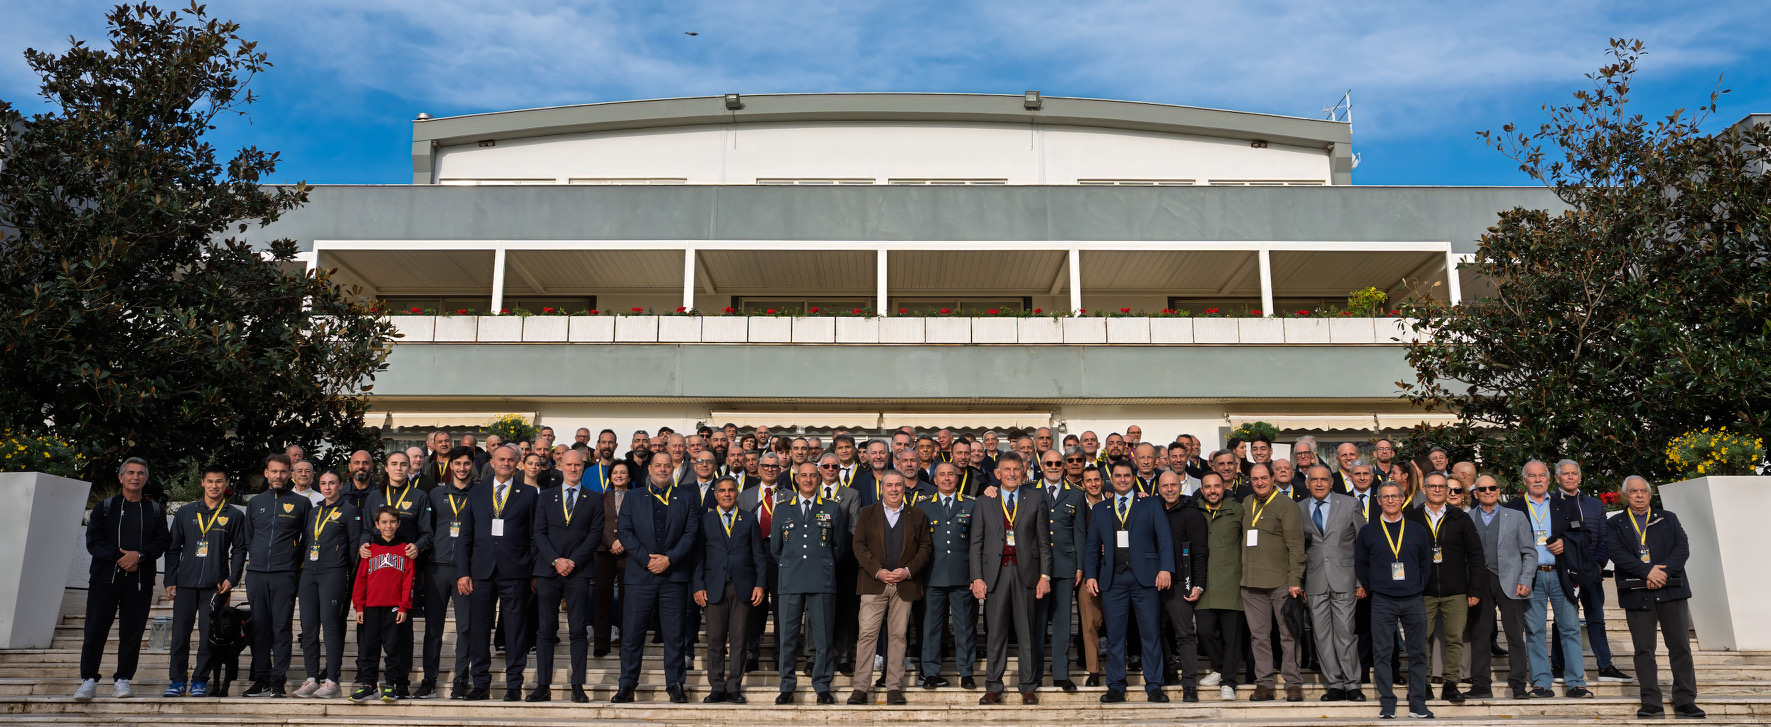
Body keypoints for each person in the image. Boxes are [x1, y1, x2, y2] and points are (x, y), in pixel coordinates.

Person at [1606, 476, 1704, 720]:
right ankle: (1651, 701)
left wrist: (1662, 572)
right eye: (1633, 492)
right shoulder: (1616, 523)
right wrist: (1646, 571)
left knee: (1680, 647)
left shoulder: (1667, 518)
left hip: (1671, 591)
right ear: (1625, 496)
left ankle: (1685, 700)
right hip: (1637, 594)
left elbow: (1682, 547)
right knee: (1644, 650)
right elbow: (1616, 553)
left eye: (1643, 491)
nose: (1639, 495)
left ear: (1650, 495)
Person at [74, 458, 170, 701]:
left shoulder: (155, 510)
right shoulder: (105, 508)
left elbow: (162, 542)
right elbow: (94, 542)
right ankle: (88, 680)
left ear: (146, 478)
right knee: (95, 630)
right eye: (130, 473)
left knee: (132, 632)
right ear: (121, 477)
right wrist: (120, 556)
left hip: (139, 581)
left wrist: (139, 554)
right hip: (104, 580)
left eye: (140, 473)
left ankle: (123, 679)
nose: (135, 477)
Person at [612, 453, 701, 704]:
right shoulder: (632, 496)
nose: (662, 469)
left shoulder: (686, 497)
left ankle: (675, 684)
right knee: (632, 635)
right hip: (641, 576)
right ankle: (627, 685)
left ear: (673, 469)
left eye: (667, 465)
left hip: (673, 576)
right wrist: (647, 559)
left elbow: (691, 532)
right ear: (649, 469)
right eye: (658, 465)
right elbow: (626, 532)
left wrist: (669, 559)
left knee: (674, 635)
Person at [457, 445, 539, 701]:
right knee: (480, 629)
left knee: (515, 629)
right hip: (481, 571)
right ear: (491, 462)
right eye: (501, 459)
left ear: (518, 464)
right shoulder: (477, 493)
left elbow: (535, 536)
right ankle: (480, 683)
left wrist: (534, 572)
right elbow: (465, 535)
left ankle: (514, 684)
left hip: (515, 571)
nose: (505, 463)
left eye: (510, 460)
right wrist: (463, 572)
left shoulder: (528, 494)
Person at [1087, 461, 1174, 704]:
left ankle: (1154, 685)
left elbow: (1164, 540)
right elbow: (1092, 546)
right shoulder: (1101, 509)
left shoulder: (1151, 504)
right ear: (1111, 479)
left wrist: (1165, 568)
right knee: (1115, 636)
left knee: (1151, 633)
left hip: (1146, 578)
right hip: (1113, 579)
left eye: (1127, 475)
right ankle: (1116, 685)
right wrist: (1091, 574)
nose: (1122, 479)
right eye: (1118, 476)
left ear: (1134, 477)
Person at [1505, 460, 1593, 699]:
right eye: (1532, 476)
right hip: (1530, 577)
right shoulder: (1513, 508)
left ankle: (1576, 682)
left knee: (1571, 629)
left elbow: (1583, 536)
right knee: (1534, 631)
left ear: (1549, 479)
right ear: (1524, 480)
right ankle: (1542, 681)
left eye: (1541, 475)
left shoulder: (1564, 506)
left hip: (1560, 575)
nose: (1537, 480)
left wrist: (1567, 543)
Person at [970, 452, 1051, 706]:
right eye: (1007, 469)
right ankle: (993, 686)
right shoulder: (985, 501)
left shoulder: (1036, 499)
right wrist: (977, 577)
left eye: (1017, 469)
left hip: (1026, 573)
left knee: (1027, 632)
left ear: (1024, 471)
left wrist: (1044, 575)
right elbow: (976, 544)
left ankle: (1027, 686)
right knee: (995, 633)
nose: (1013, 473)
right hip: (996, 572)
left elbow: (1044, 543)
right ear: (997, 473)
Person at [847, 470, 932, 705]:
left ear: (904, 488)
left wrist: (907, 571)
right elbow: (859, 546)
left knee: (898, 636)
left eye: (898, 485)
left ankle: (894, 687)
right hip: (874, 583)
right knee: (866, 636)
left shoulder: (918, 515)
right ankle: (860, 688)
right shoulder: (866, 513)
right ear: (881, 488)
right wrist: (878, 571)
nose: (894, 489)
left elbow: (925, 548)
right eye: (889, 485)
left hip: (904, 584)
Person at [163, 465, 248, 698]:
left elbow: (240, 549)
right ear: (202, 482)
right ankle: (177, 681)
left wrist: (233, 577)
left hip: (215, 586)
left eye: (219, 481)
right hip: (185, 584)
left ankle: (200, 679)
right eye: (210, 481)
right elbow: (172, 549)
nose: (214, 486)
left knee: (209, 636)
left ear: (227, 483)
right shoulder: (186, 512)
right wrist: (170, 579)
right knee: (180, 634)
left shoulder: (234, 515)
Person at [530, 450, 606, 703]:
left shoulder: (595, 498)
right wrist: (555, 560)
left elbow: (595, 535)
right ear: (559, 465)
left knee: (578, 631)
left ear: (583, 467)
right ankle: (543, 685)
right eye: (568, 464)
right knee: (545, 630)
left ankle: (577, 685)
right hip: (548, 570)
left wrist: (572, 561)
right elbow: (538, 532)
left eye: (578, 465)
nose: (573, 469)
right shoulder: (546, 496)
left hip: (578, 571)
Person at [357, 450, 434, 698]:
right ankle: (368, 681)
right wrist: (363, 545)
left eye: (403, 464)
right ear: (386, 468)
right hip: (377, 571)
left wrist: (417, 547)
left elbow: (428, 534)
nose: (399, 468)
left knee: (402, 634)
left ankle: (400, 681)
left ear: (410, 467)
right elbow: (366, 531)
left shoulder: (420, 496)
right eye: (394, 464)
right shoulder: (373, 497)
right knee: (371, 638)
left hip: (406, 569)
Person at [1356, 482, 1435, 719]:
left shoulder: (1417, 529)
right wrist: (1373, 586)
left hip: (1413, 598)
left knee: (1418, 652)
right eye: (1385, 497)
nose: (1390, 500)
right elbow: (1361, 563)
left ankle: (1418, 702)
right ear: (1378, 501)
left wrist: (1418, 585)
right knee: (1382, 653)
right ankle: (1387, 702)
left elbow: (1425, 564)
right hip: (1382, 600)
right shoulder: (1368, 531)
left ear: (1402, 499)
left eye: (1394, 496)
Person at [773, 461, 848, 705]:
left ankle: (822, 685)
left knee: (824, 636)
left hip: (821, 579)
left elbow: (838, 547)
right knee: (787, 636)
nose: (807, 480)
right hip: (791, 579)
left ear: (819, 479)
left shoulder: (832, 509)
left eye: (812, 476)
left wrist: (820, 563)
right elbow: (776, 548)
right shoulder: (782, 509)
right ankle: (786, 685)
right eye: (803, 475)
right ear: (796, 479)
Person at [1549, 460, 1629, 683]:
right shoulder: (1551, 502)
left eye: (1574, 474)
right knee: (1562, 620)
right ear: (1557, 478)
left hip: (1591, 570)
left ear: (1580, 477)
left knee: (1596, 618)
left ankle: (1605, 665)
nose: (1571, 477)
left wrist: (1599, 564)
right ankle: (1558, 665)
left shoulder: (1594, 504)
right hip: (1564, 571)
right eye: (1566, 474)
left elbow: (1604, 538)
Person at [1407, 473, 1483, 704]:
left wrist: (1475, 589)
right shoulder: (1411, 516)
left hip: (1456, 590)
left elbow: (1476, 555)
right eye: (1434, 486)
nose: (1439, 490)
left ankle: (1451, 684)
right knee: (1420, 639)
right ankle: (1423, 683)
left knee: (1454, 638)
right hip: (1423, 591)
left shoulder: (1459, 517)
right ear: (1425, 488)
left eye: (1443, 487)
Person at [241, 453, 312, 698]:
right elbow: (248, 537)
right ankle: (261, 678)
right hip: (257, 574)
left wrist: (294, 560)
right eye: (274, 471)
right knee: (260, 628)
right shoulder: (255, 502)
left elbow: (308, 537)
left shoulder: (301, 503)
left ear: (290, 474)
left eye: (283, 472)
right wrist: (257, 557)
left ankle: (278, 679)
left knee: (281, 627)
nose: (279, 476)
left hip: (285, 574)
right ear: (266, 473)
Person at [694, 477, 766, 704]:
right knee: (714, 639)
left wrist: (760, 584)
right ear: (715, 494)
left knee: (739, 639)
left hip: (742, 587)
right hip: (713, 588)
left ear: (737, 493)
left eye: (731, 490)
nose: (727, 494)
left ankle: (734, 686)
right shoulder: (705, 520)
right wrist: (698, 585)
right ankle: (716, 686)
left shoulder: (749, 519)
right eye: (722, 491)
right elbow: (697, 557)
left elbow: (758, 556)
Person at [1239, 462, 1305, 702]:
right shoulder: (1247, 504)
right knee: (1259, 637)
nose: (1259, 483)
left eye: (1264, 478)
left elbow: (1297, 546)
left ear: (1273, 478)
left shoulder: (1287, 505)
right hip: (1251, 583)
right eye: (1255, 479)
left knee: (1288, 635)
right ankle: (1264, 684)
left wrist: (1295, 579)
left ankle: (1293, 684)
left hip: (1281, 582)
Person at [1466, 474, 1537, 700]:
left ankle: (1518, 684)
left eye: (1492, 487)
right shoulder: (1467, 517)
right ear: (1475, 493)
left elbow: (1529, 552)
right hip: (1478, 583)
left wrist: (1525, 579)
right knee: (1480, 634)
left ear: (1498, 490)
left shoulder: (1516, 516)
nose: (1488, 491)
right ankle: (1481, 684)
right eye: (1482, 489)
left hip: (1511, 582)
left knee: (1515, 634)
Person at [1299, 464, 1365, 702]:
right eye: (1314, 480)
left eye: (1323, 480)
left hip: (1345, 579)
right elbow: (1297, 550)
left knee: (1345, 633)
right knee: (1322, 635)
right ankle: (1334, 684)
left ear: (1331, 482)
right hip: (1314, 582)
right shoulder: (1299, 509)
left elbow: (1363, 544)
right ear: (1307, 483)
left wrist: (1361, 579)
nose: (1318, 484)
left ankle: (1353, 683)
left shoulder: (1349, 505)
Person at [292, 472, 361, 700]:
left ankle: (333, 680)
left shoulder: (350, 510)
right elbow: (307, 541)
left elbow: (353, 546)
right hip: (309, 573)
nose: (328, 487)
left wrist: (344, 570)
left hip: (334, 573)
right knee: (309, 629)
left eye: (332, 482)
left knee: (330, 628)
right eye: (323, 483)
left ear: (341, 484)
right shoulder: (314, 511)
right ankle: (312, 679)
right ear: (318, 485)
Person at [916, 462, 978, 690]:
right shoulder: (922, 505)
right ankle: (931, 672)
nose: (947, 478)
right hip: (932, 575)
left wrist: (976, 575)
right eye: (942, 475)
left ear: (957, 478)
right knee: (931, 627)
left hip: (963, 575)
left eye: (951, 474)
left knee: (964, 627)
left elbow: (975, 543)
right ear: (935, 479)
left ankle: (967, 671)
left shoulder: (970, 504)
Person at [423, 447, 475, 698]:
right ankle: (429, 678)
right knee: (433, 628)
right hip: (437, 568)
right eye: (458, 463)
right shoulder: (435, 494)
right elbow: (427, 531)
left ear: (472, 466)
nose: (462, 468)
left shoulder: (480, 493)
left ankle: (461, 679)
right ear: (450, 466)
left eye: (467, 463)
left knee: (465, 628)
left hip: (466, 571)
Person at [1036, 448, 1089, 692]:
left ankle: (1060, 674)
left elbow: (1080, 533)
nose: (1054, 466)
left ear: (1064, 466)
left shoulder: (1076, 495)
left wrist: (1079, 566)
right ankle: (1034, 673)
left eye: (1058, 463)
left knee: (1062, 623)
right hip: (1036, 568)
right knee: (1036, 623)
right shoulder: (1028, 490)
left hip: (1066, 566)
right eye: (1050, 463)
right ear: (1042, 465)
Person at [351, 507, 417, 703]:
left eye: (392, 522)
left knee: (393, 648)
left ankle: (390, 684)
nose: (388, 526)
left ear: (398, 524)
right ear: (377, 525)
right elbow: (360, 579)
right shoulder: (369, 550)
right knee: (369, 648)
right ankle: (368, 685)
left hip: (394, 608)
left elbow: (408, 581)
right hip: (371, 607)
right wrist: (359, 606)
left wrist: (404, 606)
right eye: (384, 522)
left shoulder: (405, 549)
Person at [1192, 472, 1245, 701]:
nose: (1213, 490)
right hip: (1204, 584)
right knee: (1204, 630)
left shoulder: (1238, 510)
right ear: (1201, 489)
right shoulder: (1194, 511)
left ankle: (1228, 682)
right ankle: (1220, 667)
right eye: (1208, 487)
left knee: (1232, 636)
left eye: (1217, 486)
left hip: (1232, 582)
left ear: (1224, 487)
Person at [1156, 470, 1209, 701]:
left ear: (1180, 486)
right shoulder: (1152, 510)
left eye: (1173, 485)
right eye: (1165, 486)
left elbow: (1199, 553)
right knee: (1155, 631)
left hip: (1180, 582)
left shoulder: (1192, 514)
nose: (1169, 489)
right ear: (1159, 489)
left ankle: (1189, 683)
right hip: (1153, 581)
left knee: (1185, 634)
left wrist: (1198, 583)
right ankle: (1167, 672)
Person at [592, 461, 634, 658]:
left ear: (629, 476)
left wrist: (623, 542)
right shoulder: (600, 498)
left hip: (629, 552)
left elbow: (640, 524)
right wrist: (611, 542)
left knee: (628, 598)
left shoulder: (637, 498)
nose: (619, 476)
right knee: (602, 597)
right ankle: (601, 643)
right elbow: (597, 524)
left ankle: (627, 643)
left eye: (623, 472)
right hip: (603, 551)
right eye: (615, 472)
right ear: (610, 476)